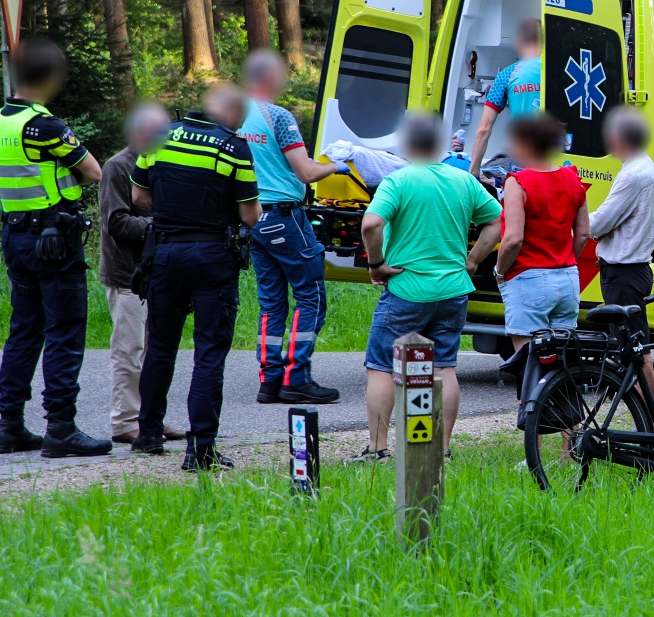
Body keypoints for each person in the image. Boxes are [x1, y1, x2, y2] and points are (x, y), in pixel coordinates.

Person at [0, 37, 111, 459]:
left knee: (24, 329)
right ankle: (61, 427)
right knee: (64, 330)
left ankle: (10, 424)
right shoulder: (45, 125)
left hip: (16, 235)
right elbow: (93, 171)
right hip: (54, 238)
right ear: (51, 77)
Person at [356, 112, 502, 461]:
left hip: (406, 289)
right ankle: (441, 447)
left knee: (381, 366)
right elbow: (497, 221)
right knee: (443, 367)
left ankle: (377, 449)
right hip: (452, 291)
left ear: (407, 144)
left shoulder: (398, 180)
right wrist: (473, 260)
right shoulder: (464, 181)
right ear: (439, 144)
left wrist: (376, 264)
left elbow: (371, 224)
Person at [130, 84, 261, 470]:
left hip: (165, 253)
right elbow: (250, 215)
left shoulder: (160, 136)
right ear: (231, 113)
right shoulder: (233, 147)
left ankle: (148, 434)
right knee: (209, 353)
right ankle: (201, 450)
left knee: (160, 346)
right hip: (212, 257)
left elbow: (138, 198)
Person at [239, 48, 347, 405]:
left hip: (253, 218)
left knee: (271, 303)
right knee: (310, 295)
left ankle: (269, 380)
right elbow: (306, 172)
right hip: (285, 218)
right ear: (270, 77)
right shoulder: (278, 117)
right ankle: (296, 377)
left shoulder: (233, 116)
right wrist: (336, 165)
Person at [97, 101, 185, 446]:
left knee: (155, 352)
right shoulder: (118, 166)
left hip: (156, 273)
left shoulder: (163, 163)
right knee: (129, 351)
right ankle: (125, 422)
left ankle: (151, 419)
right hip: (126, 274)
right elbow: (115, 221)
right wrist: (160, 227)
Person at [497, 112, 590, 355]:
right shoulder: (574, 179)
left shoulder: (517, 182)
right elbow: (583, 234)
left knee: (527, 361)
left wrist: (500, 271)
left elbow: (513, 239)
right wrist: (566, 260)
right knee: (560, 361)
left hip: (528, 277)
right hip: (568, 278)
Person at [588, 106, 654, 397]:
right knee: (636, 348)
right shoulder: (648, 169)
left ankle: (645, 416)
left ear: (620, 139)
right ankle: (645, 415)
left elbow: (601, 222)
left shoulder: (633, 175)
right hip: (635, 271)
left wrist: (571, 216)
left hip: (623, 274)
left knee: (637, 351)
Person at [466, 18, 542, 181]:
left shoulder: (507, 74)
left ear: (520, 42)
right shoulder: (559, 72)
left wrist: (474, 173)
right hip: (556, 160)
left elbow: (484, 128)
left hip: (523, 161)